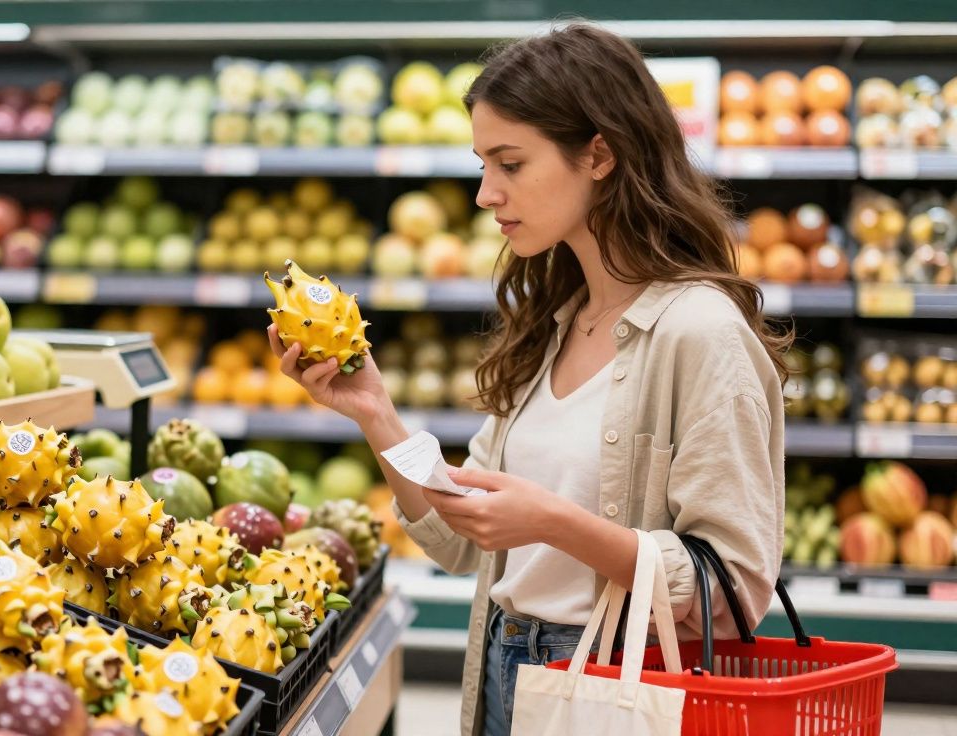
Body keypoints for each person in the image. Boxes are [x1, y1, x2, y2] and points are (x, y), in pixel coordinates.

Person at [266, 21, 788, 736]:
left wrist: (553, 522)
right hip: (505, 670)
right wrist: (375, 412)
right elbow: (460, 541)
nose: (486, 193)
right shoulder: (556, 322)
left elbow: (731, 587)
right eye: (483, 164)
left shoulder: (700, 333)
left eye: (509, 164)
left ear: (598, 153)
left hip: (616, 686)